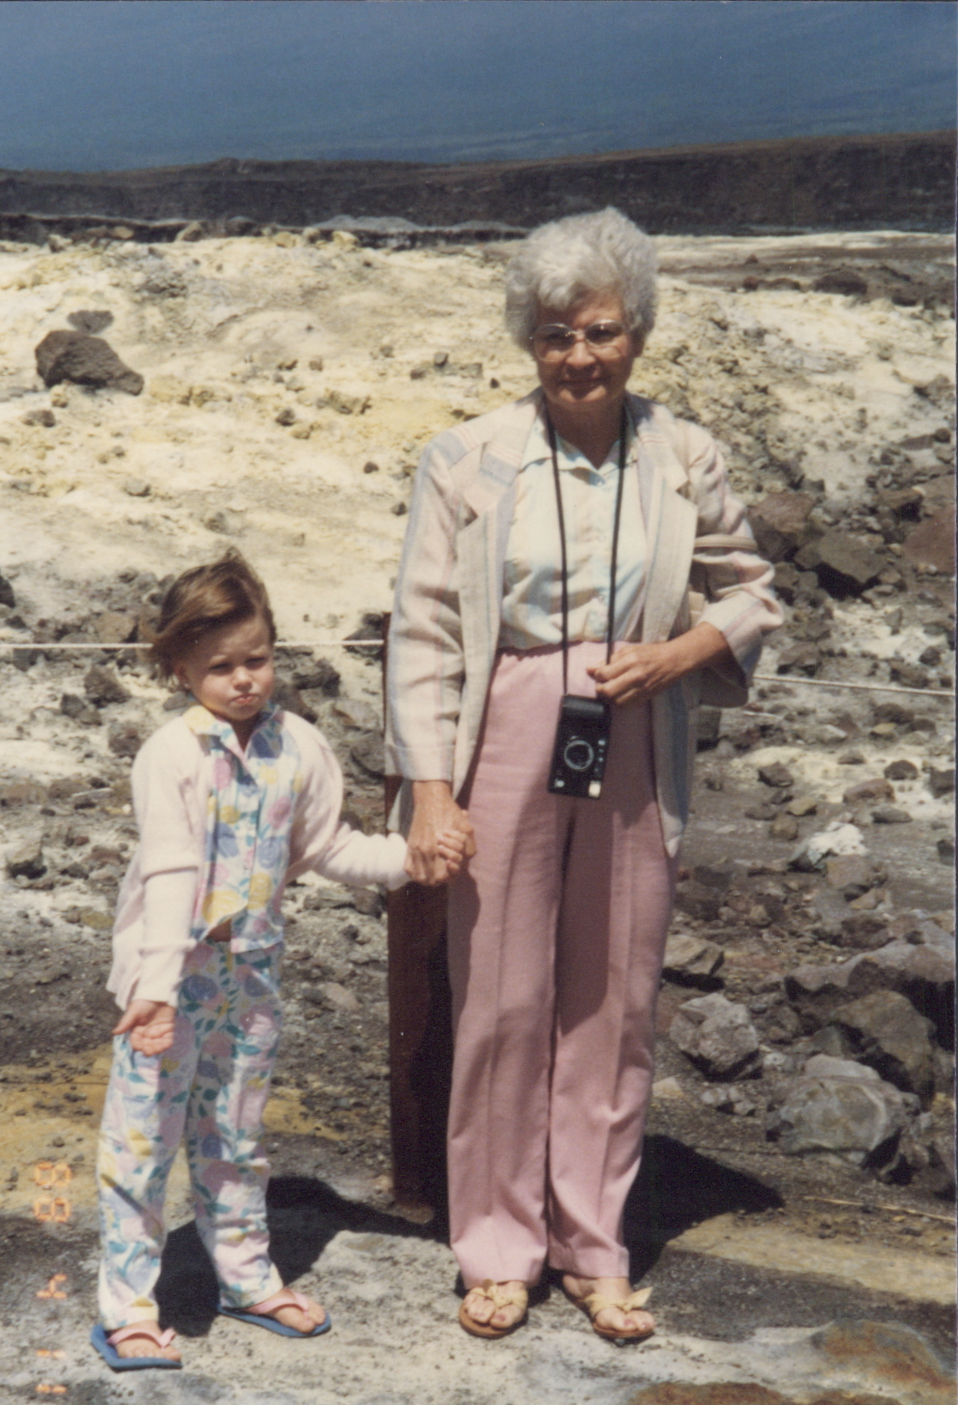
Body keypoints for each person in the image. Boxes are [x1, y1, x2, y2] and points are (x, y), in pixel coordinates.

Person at [386, 206, 782, 1342]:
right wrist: (430, 788)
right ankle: (496, 1244)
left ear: (637, 333)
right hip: (508, 726)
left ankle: (594, 1243)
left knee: (616, 992)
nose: (579, 355)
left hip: (638, 724)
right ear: (529, 339)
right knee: (502, 991)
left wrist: (682, 653)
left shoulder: (683, 454)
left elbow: (753, 589)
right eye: (556, 334)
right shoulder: (465, 457)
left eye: (601, 330)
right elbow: (420, 629)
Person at [92, 549, 465, 1369]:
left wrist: (411, 858)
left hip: (249, 977)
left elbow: (328, 847)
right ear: (180, 669)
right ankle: (128, 1308)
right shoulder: (170, 755)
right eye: (220, 666)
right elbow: (170, 872)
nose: (243, 680)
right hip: (166, 980)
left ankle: (247, 1278)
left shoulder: (298, 746)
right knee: (142, 1144)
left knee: (236, 1134)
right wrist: (156, 990)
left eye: (256, 659)